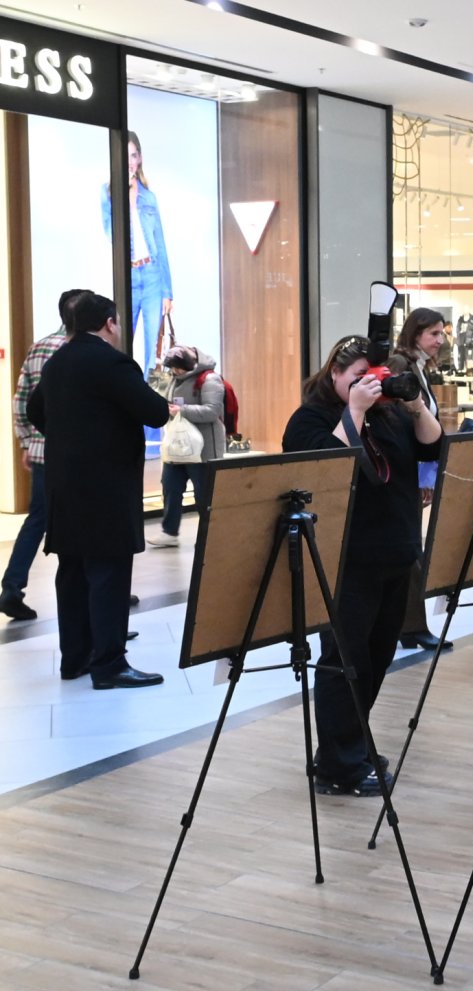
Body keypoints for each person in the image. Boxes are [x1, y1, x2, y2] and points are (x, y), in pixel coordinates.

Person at [283, 335, 443, 794]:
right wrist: (352, 411)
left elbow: (435, 448)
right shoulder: (310, 419)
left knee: (375, 659)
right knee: (344, 660)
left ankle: (350, 745)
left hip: (394, 553)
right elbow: (326, 466)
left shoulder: (389, 412)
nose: (368, 389)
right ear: (334, 373)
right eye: (357, 380)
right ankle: (337, 766)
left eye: (373, 380)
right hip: (344, 560)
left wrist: (412, 404)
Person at [27, 293, 172, 688]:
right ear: (109, 323)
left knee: (72, 570)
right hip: (105, 486)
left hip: (64, 484)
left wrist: (72, 440)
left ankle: (74, 659)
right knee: (108, 571)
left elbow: (35, 411)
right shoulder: (112, 362)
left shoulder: (58, 362)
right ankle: (108, 664)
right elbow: (155, 411)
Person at [3, 288, 91, 620]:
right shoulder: (83, 351)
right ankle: (102, 591)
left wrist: (27, 441)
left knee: (37, 518)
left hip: (42, 451)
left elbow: (22, 399)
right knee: (90, 521)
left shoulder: (39, 346)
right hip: (79, 455)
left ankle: (12, 586)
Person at [391, 308, 453, 652]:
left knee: (413, 546)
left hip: (412, 470)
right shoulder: (401, 366)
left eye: (442, 334)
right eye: (434, 334)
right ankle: (411, 626)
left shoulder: (416, 367)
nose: (440, 341)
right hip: (400, 472)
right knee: (411, 548)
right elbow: (406, 422)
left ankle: (410, 625)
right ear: (416, 334)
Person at [101, 133, 172, 375]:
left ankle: (148, 401)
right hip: (128, 275)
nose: (130, 161)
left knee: (153, 348)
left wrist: (167, 291)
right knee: (121, 342)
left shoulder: (149, 197)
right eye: (125, 155)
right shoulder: (107, 193)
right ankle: (125, 395)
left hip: (152, 275)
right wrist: (122, 195)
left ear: (139, 158)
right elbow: (112, 234)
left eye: (133, 155)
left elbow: (160, 245)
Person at [148, 346, 228, 548]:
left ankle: (210, 534)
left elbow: (212, 411)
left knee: (204, 494)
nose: (175, 372)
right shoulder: (173, 379)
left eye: (177, 368)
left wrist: (181, 411)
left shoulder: (209, 379)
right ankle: (169, 532)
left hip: (203, 450)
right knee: (170, 487)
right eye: (172, 369)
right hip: (177, 447)